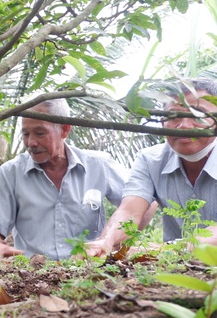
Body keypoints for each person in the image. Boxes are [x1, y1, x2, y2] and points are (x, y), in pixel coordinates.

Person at [0, 98, 130, 260]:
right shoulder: (10, 173)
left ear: (64, 130)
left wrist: (111, 241)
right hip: (33, 275)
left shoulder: (99, 165)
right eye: (25, 134)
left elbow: (141, 204)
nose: (31, 142)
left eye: (40, 133)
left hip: (90, 272)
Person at [86, 78, 217, 257]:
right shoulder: (150, 159)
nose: (184, 125)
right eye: (173, 116)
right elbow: (129, 210)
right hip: (174, 275)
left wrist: (166, 250)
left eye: (199, 114)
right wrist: (106, 241)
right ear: (162, 121)